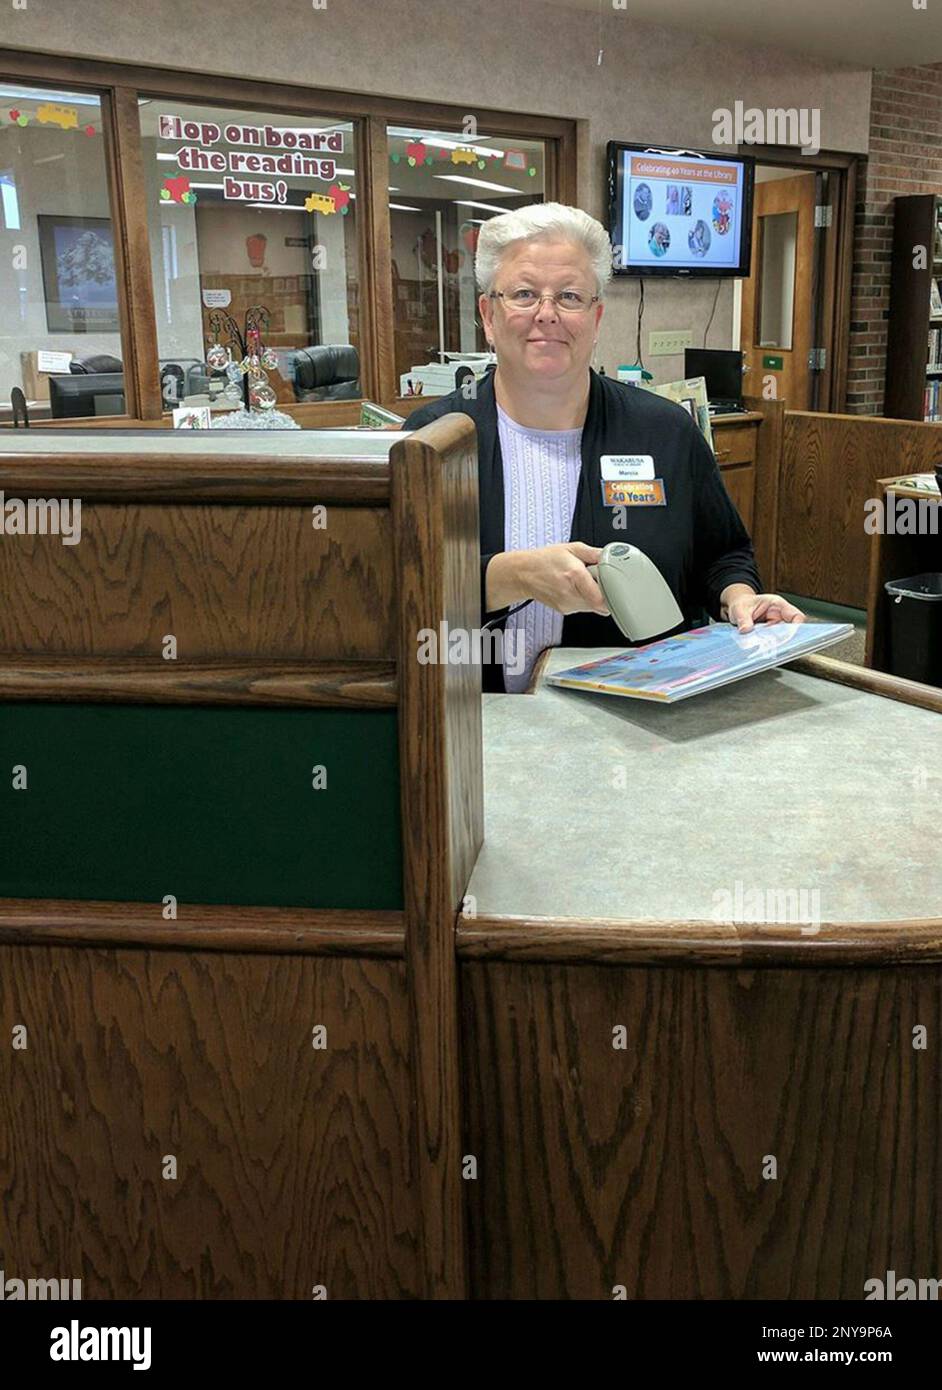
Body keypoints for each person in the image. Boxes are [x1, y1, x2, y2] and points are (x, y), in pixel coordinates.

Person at [404, 202, 803, 692]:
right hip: (477, 723)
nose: (546, 315)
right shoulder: (434, 439)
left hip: (634, 720)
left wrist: (741, 598)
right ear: (488, 315)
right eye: (524, 294)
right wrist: (510, 576)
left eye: (569, 296)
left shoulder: (664, 432)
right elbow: (401, 588)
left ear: (596, 317)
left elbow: (723, 554)